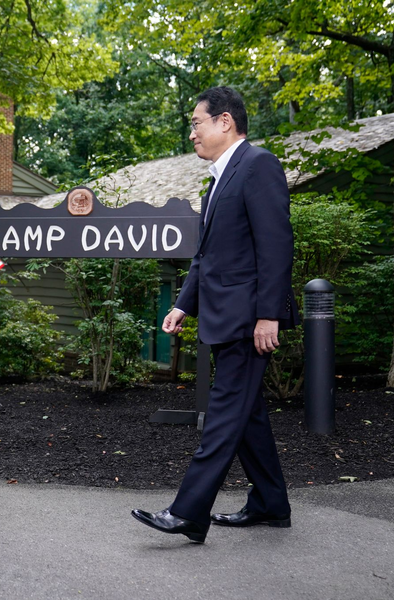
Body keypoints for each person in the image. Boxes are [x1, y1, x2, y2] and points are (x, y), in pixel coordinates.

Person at [132, 87, 299, 543]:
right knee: (247, 416)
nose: (192, 134)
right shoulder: (218, 181)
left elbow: (276, 244)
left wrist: (269, 315)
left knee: (224, 415)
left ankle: (188, 512)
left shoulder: (258, 165)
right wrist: (183, 304)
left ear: (225, 121)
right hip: (226, 316)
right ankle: (271, 503)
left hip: (248, 320)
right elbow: (206, 257)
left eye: (196, 123)